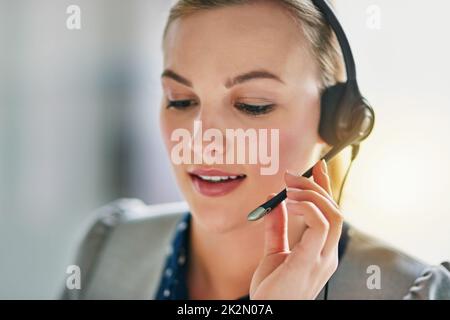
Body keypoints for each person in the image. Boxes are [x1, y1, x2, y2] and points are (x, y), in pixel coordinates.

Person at [61, 0, 450, 300]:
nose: (202, 139)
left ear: (338, 122)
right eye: (180, 100)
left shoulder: (409, 290)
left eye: (252, 105)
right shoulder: (107, 252)